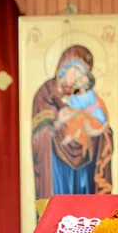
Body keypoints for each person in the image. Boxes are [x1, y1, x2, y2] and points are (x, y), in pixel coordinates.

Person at [31, 45, 113, 197]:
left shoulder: (86, 95)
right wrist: (58, 123)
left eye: (84, 73)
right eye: (76, 69)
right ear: (63, 67)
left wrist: (95, 128)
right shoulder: (46, 94)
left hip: (84, 165)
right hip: (56, 165)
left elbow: (104, 126)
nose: (78, 76)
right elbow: (38, 136)